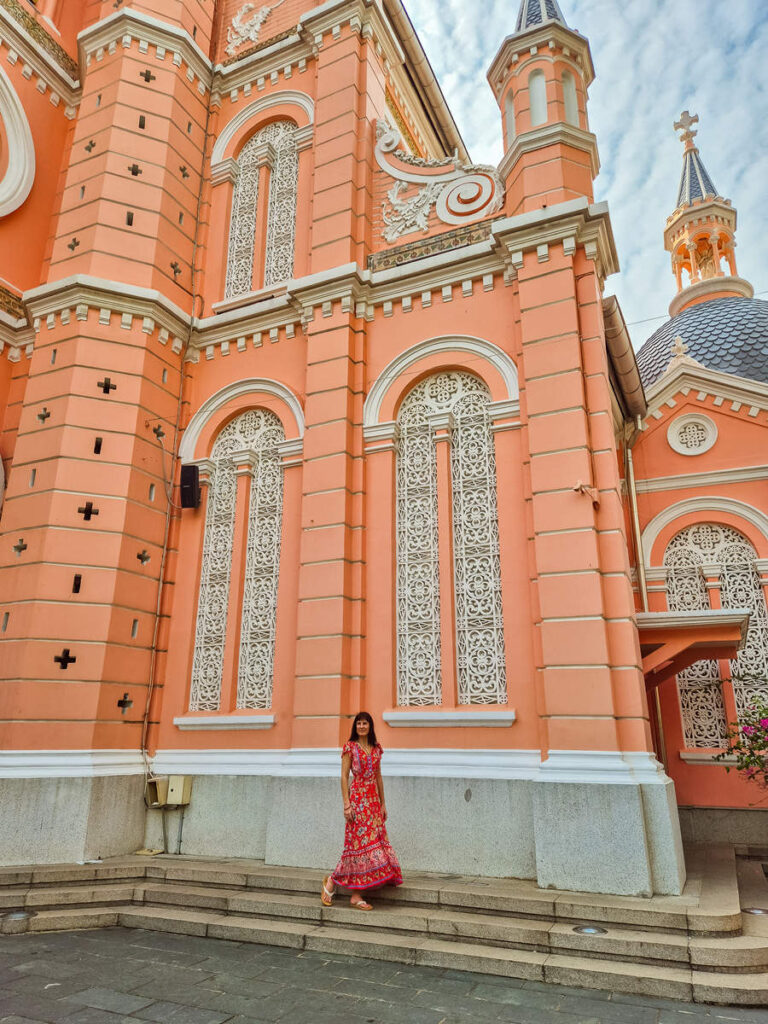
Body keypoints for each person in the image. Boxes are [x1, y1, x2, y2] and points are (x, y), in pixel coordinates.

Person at [321, 711, 402, 910]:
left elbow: (379, 777)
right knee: (356, 847)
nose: (362, 726)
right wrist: (346, 804)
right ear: (355, 727)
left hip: (373, 803)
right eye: (359, 723)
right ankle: (332, 881)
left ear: (370, 726)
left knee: (373, 845)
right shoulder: (350, 747)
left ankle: (356, 895)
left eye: (365, 723)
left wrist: (383, 804)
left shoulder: (376, 749)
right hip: (357, 801)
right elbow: (343, 776)